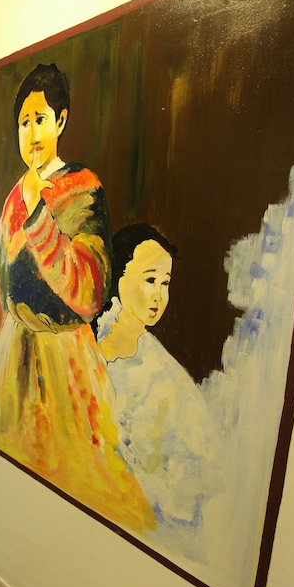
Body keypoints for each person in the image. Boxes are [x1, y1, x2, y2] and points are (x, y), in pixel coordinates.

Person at [0, 64, 154, 534]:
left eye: (40, 119)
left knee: (72, 485)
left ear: (61, 121)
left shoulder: (83, 188)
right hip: (12, 358)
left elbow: (89, 291)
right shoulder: (12, 198)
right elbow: (3, 287)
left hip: (63, 364)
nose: (31, 132)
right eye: (23, 122)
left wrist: (39, 213)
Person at [96, 223, 220, 559]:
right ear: (119, 276)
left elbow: (193, 478)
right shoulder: (87, 342)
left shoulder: (166, 378)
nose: (158, 295)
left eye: (165, 284)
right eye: (149, 279)